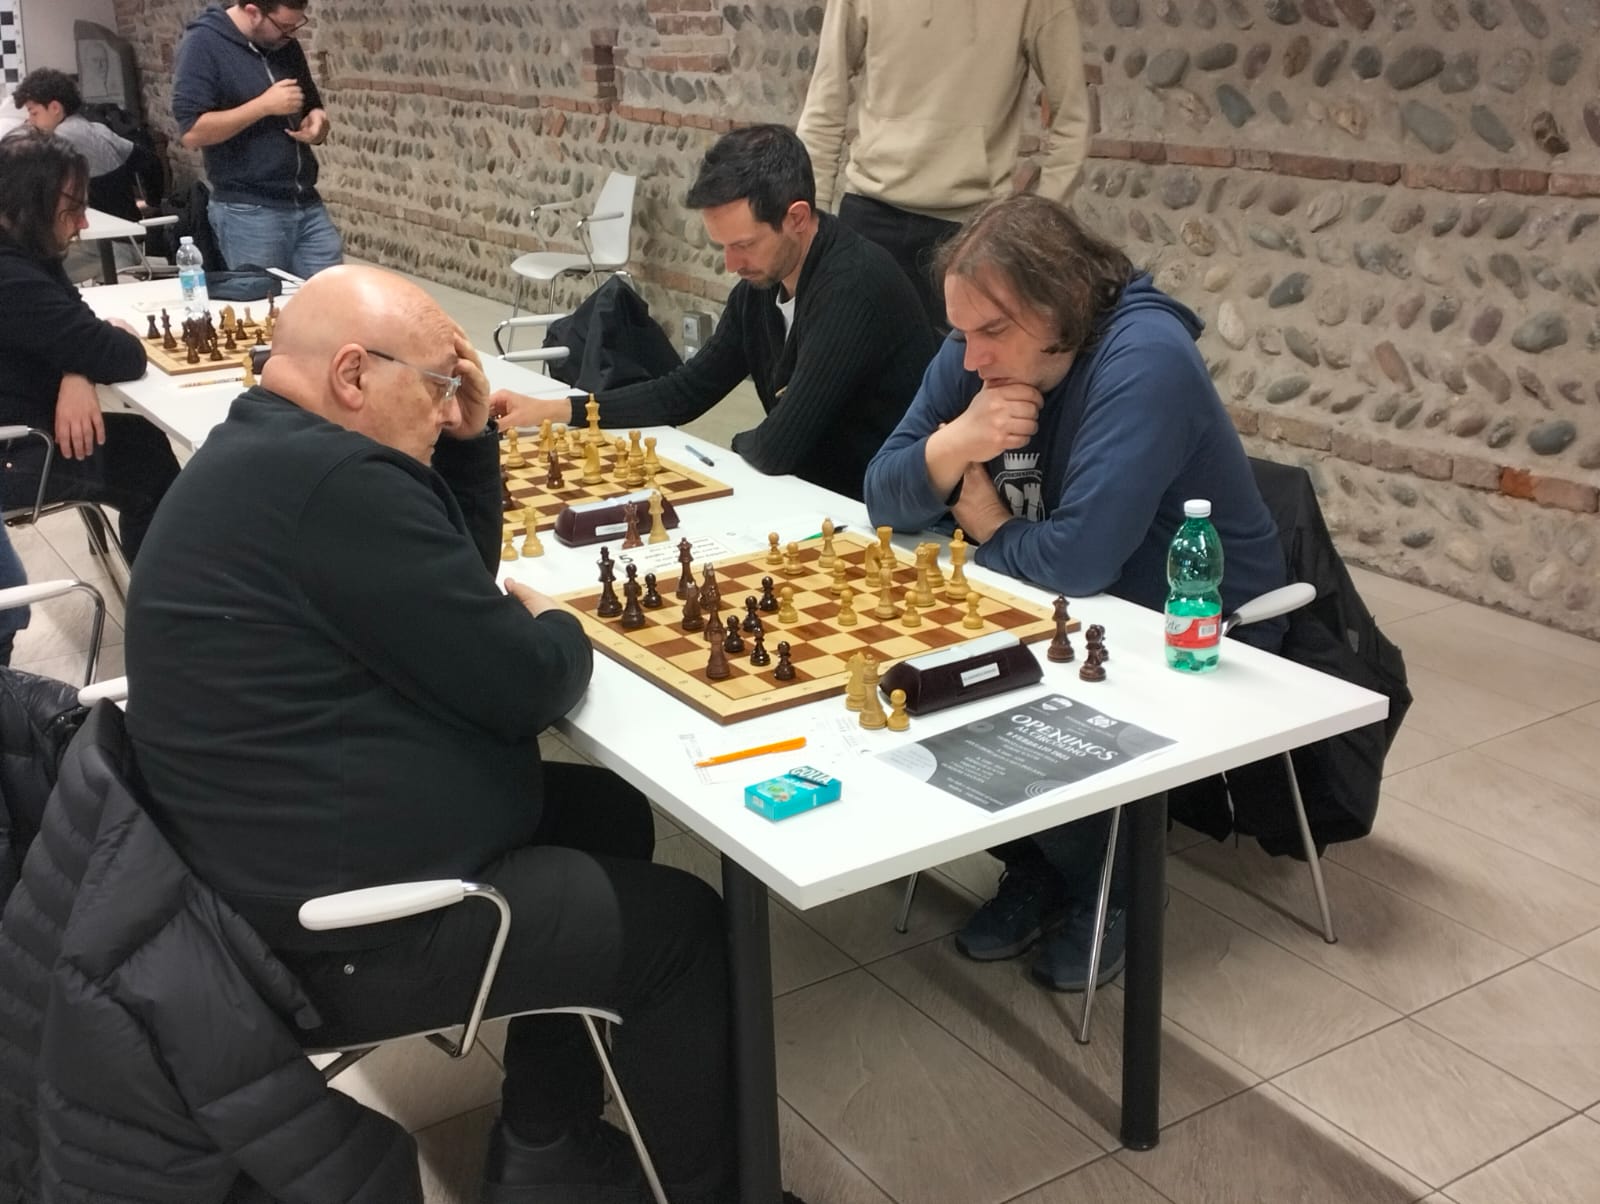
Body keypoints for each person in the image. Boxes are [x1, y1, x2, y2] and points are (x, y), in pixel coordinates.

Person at [123, 265, 805, 1204]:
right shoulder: (337, 483)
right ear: (353, 375)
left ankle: (544, 1146)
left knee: (605, 812)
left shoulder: (271, 447)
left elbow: (450, 581)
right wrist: (563, 627)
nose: (450, 411)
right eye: (440, 388)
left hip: (252, 869)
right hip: (323, 939)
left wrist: (474, 445)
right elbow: (524, 684)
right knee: (684, 931)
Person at [864, 195, 1285, 991]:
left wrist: (989, 525)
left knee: (999, 706)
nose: (971, 359)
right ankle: (1045, 865)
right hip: (1066, 608)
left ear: (1060, 302)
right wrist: (958, 440)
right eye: (961, 333)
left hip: (1192, 623)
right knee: (917, 675)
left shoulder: (1146, 357)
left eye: (991, 332)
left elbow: (1082, 558)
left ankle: (1115, 884)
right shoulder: (977, 353)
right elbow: (882, 494)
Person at [490, 124, 934, 503]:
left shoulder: (854, 286)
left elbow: (777, 447)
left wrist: (729, 450)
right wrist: (556, 409)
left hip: (881, 513)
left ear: (797, 218)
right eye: (722, 246)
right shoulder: (761, 287)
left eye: (744, 244)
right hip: (812, 495)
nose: (731, 265)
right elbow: (686, 391)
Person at [796, 0, 1090, 331]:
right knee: (845, 359)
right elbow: (824, 102)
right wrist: (811, 225)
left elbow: (1072, 118)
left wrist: (1039, 229)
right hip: (869, 216)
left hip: (973, 231)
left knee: (966, 365)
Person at [0, 129, 179, 563]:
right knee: (154, 472)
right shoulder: (12, 276)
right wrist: (87, 355)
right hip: (18, 451)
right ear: (29, 203)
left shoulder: (27, 248)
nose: (83, 224)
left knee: (144, 441)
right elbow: (124, 355)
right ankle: (162, 597)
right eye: (73, 209)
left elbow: (80, 326)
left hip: (27, 425)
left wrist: (76, 371)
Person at [171, 1, 342, 277]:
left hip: (305, 200)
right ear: (253, 12)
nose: (291, 34)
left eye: (296, 25)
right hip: (249, 209)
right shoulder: (202, 44)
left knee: (330, 295)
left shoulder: (284, 44)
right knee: (265, 299)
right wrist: (263, 106)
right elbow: (192, 132)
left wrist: (317, 123)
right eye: (284, 26)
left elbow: (311, 105)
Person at [12, 68, 163, 224]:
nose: (30, 121)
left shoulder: (58, 140)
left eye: (34, 113)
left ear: (55, 108)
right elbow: (151, 162)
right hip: (128, 225)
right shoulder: (98, 129)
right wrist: (154, 203)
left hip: (99, 231)